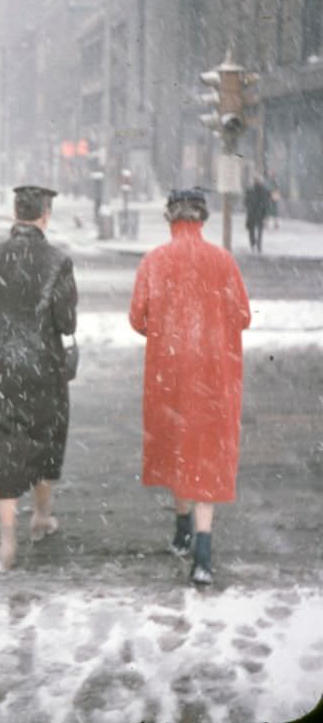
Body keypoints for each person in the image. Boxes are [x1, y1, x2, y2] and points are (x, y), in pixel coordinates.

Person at [129, 188, 251, 585]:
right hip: (214, 375)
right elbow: (243, 316)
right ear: (203, 219)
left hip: (170, 374)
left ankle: (181, 529)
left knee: (177, 450)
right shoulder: (223, 261)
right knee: (206, 458)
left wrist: (167, 328)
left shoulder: (154, 261)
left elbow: (137, 318)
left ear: (170, 218)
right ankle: (203, 552)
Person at [0, 184, 78, 573]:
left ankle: (6, 543)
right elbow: (66, 322)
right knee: (44, 440)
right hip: (45, 369)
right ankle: (41, 518)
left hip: (2, 370)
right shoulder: (57, 262)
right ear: (45, 215)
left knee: (6, 449)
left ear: (16, 214)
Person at [244, 175, 272, 252]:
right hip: (259, 213)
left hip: (253, 213)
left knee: (252, 230)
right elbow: (267, 203)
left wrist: (249, 208)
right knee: (258, 230)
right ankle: (257, 244)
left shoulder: (250, 190)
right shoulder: (264, 191)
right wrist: (266, 213)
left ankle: (254, 243)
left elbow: (246, 201)